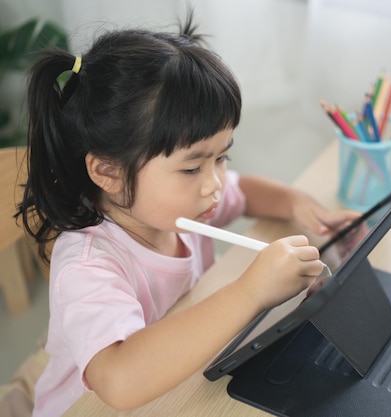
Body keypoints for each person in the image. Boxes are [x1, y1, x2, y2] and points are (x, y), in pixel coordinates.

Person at [17, 14, 359, 417]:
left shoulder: (185, 204)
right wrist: (251, 291)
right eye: (193, 166)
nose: (214, 183)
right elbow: (119, 380)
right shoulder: (88, 265)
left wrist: (298, 204)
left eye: (223, 156)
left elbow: (244, 193)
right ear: (108, 172)